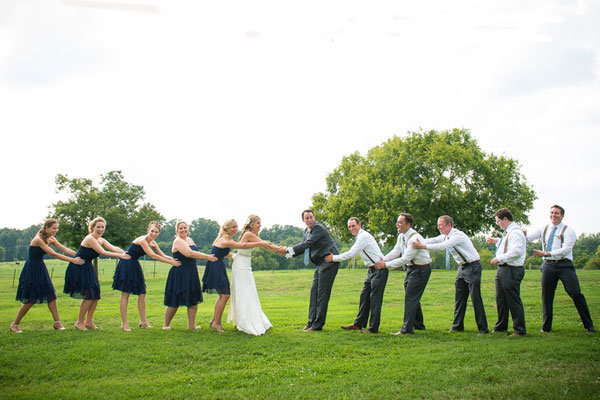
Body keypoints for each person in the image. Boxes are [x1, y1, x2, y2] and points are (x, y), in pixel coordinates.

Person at [412, 216, 489, 334]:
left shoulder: (457, 235)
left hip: (473, 267)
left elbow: (444, 246)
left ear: (449, 225)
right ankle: (457, 326)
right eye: (438, 225)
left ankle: (483, 329)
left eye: (440, 225)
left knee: (475, 298)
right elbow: (432, 240)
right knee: (459, 298)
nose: (438, 227)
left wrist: (423, 246)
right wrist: (417, 240)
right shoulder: (445, 236)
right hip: (462, 268)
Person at [524, 205, 595, 333]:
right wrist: (520, 233)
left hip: (564, 265)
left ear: (562, 216)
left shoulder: (568, 231)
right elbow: (527, 239)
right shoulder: (544, 228)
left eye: (557, 213)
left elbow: (566, 250)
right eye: (552, 212)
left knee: (575, 293)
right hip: (548, 266)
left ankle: (589, 325)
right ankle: (546, 328)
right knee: (547, 296)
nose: (554, 215)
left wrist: (546, 253)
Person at [10, 219, 84, 333]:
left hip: (40, 268)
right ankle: (14, 325)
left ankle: (57, 323)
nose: (56, 230)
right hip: (32, 270)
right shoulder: (38, 239)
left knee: (51, 296)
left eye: (57, 228)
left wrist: (79, 255)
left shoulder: (51, 238)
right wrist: (73, 260)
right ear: (46, 228)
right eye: (53, 228)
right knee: (31, 299)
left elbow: (63, 249)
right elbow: (53, 254)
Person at [63, 217, 131, 331]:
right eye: (98, 227)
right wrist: (121, 256)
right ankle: (79, 322)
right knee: (89, 294)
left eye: (102, 227)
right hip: (79, 266)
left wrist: (126, 252)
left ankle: (89, 321)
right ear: (93, 227)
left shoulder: (101, 240)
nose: (100, 229)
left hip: (88, 267)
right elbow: (102, 252)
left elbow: (113, 248)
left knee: (96, 293)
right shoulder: (90, 238)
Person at [113, 221, 181, 332]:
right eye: (152, 231)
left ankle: (143, 321)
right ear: (147, 231)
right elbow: (153, 256)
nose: (154, 233)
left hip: (135, 265)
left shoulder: (153, 243)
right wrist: (171, 263)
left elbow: (162, 255)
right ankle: (124, 323)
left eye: (156, 232)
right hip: (126, 264)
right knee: (126, 294)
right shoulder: (142, 241)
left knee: (142, 293)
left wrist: (173, 259)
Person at [325, 217, 387, 334]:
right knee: (364, 297)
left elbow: (351, 253)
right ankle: (358, 324)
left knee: (375, 300)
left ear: (360, 225)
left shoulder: (363, 236)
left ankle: (373, 328)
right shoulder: (359, 237)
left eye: (353, 226)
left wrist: (333, 258)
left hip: (379, 270)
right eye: (349, 227)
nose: (351, 228)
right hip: (371, 270)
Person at [202, 219, 265, 332]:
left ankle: (214, 321)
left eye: (236, 227)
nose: (236, 229)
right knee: (224, 295)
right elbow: (243, 245)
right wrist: (261, 243)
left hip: (217, 265)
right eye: (233, 227)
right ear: (226, 228)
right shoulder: (226, 240)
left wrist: (233, 256)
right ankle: (216, 323)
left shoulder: (225, 238)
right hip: (216, 267)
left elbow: (224, 253)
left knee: (223, 295)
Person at [282, 209, 340, 332]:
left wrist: (288, 249)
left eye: (311, 217)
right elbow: (303, 247)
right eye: (307, 218)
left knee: (322, 295)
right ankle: (310, 322)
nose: (309, 220)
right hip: (319, 263)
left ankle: (317, 325)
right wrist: (287, 254)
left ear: (314, 217)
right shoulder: (306, 231)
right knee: (314, 292)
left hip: (329, 262)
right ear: (303, 220)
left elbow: (308, 243)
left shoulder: (318, 228)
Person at [374, 213, 432, 335]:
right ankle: (418, 324)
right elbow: (396, 251)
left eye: (400, 223)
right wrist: (383, 259)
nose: (397, 225)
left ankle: (406, 329)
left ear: (408, 224)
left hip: (421, 269)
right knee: (412, 296)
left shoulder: (414, 239)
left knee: (410, 297)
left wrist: (386, 265)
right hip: (412, 269)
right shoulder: (402, 236)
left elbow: (404, 259)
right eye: (397, 222)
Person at [227, 215, 284, 335]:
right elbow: (265, 245)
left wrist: (278, 249)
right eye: (258, 223)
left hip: (246, 264)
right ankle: (246, 322)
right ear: (251, 224)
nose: (260, 225)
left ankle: (251, 318)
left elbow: (265, 245)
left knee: (249, 291)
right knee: (245, 292)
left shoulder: (253, 235)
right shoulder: (249, 234)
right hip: (241, 265)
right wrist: (282, 249)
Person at [163, 221, 217, 330]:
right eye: (180, 228)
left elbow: (195, 252)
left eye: (185, 227)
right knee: (175, 299)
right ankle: (166, 325)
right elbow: (190, 253)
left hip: (191, 272)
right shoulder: (178, 241)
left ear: (188, 229)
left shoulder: (190, 240)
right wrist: (207, 257)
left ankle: (191, 325)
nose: (183, 230)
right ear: (176, 231)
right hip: (180, 273)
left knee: (193, 298)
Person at [487, 208, 527, 336]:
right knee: (501, 299)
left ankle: (519, 329)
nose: (498, 224)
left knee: (513, 299)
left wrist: (499, 258)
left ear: (505, 219)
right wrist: (496, 241)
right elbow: (506, 244)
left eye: (498, 222)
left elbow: (516, 251)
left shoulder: (515, 232)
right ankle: (501, 326)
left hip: (511, 269)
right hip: (503, 269)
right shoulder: (508, 233)